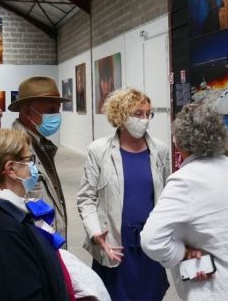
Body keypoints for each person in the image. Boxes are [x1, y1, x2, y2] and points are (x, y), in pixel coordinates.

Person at [140, 101, 228, 301]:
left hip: (216, 291)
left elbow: (151, 241)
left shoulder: (185, 180)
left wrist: (183, 253)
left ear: (178, 142)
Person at [77, 88, 171, 300]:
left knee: (151, 294)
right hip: (114, 243)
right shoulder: (98, 150)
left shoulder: (160, 150)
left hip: (148, 242)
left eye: (148, 114)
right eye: (138, 114)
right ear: (120, 115)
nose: (145, 119)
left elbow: (166, 197)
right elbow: (86, 198)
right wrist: (96, 234)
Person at [0, 129, 69, 301]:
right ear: (11, 169)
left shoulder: (12, 212)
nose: (33, 167)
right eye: (29, 160)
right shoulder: (2, 235)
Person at [9, 76, 71, 241]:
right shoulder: (14, 150)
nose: (56, 117)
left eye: (57, 110)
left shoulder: (40, 143)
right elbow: (13, 211)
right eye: (50, 111)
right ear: (28, 112)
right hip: (36, 247)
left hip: (48, 244)